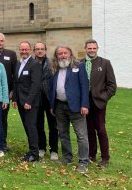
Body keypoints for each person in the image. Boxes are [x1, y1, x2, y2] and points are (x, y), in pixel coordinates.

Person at [49, 45, 90, 174]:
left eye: (65, 53)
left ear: (70, 53)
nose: (62, 55)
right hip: (59, 106)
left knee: (81, 136)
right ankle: (67, 158)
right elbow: (52, 88)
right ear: (57, 56)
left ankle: (83, 161)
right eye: (59, 53)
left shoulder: (79, 66)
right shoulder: (55, 68)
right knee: (63, 134)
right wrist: (52, 105)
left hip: (76, 107)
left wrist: (84, 105)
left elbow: (85, 86)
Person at [13, 41, 48, 162]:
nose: (24, 51)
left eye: (26, 49)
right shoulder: (19, 63)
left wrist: (29, 101)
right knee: (27, 126)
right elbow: (16, 82)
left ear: (30, 50)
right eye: (22, 49)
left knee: (31, 126)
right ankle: (32, 149)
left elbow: (36, 85)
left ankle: (35, 153)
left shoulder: (34, 64)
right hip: (21, 101)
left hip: (30, 103)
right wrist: (15, 99)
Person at [84, 39, 117, 167]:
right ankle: (91, 154)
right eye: (89, 48)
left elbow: (112, 86)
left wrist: (103, 97)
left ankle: (105, 158)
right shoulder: (81, 63)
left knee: (101, 130)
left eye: (94, 48)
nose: (91, 50)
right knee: (89, 130)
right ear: (85, 48)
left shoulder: (105, 63)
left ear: (97, 48)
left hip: (99, 103)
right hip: (85, 103)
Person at [33, 42, 59, 160]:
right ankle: (41, 147)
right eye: (37, 49)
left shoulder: (52, 63)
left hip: (49, 98)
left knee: (53, 125)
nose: (40, 51)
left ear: (45, 50)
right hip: (36, 99)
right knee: (39, 125)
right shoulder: (31, 63)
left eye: (42, 49)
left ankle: (54, 150)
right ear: (34, 51)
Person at [0, 33, 18, 148]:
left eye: (1, 41)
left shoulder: (11, 54)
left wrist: (12, 91)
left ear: (4, 42)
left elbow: (15, 75)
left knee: (2, 119)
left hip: (4, 93)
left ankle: (2, 143)